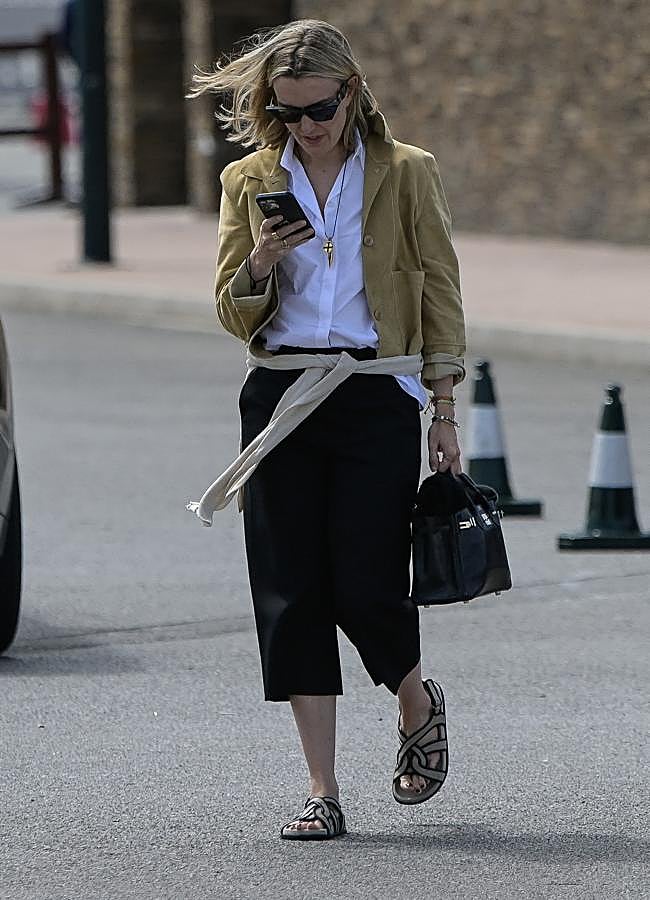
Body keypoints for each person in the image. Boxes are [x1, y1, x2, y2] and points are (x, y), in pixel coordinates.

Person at [188, 19, 466, 840]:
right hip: (281, 395)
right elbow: (232, 311)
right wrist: (260, 263)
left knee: (369, 580)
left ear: (351, 94)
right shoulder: (249, 180)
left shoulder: (406, 172)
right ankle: (322, 788)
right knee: (290, 590)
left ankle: (414, 700)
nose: (305, 126)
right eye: (288, 111)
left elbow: (440, 291)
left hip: (374, 393)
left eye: (319, 109)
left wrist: (444, 409)